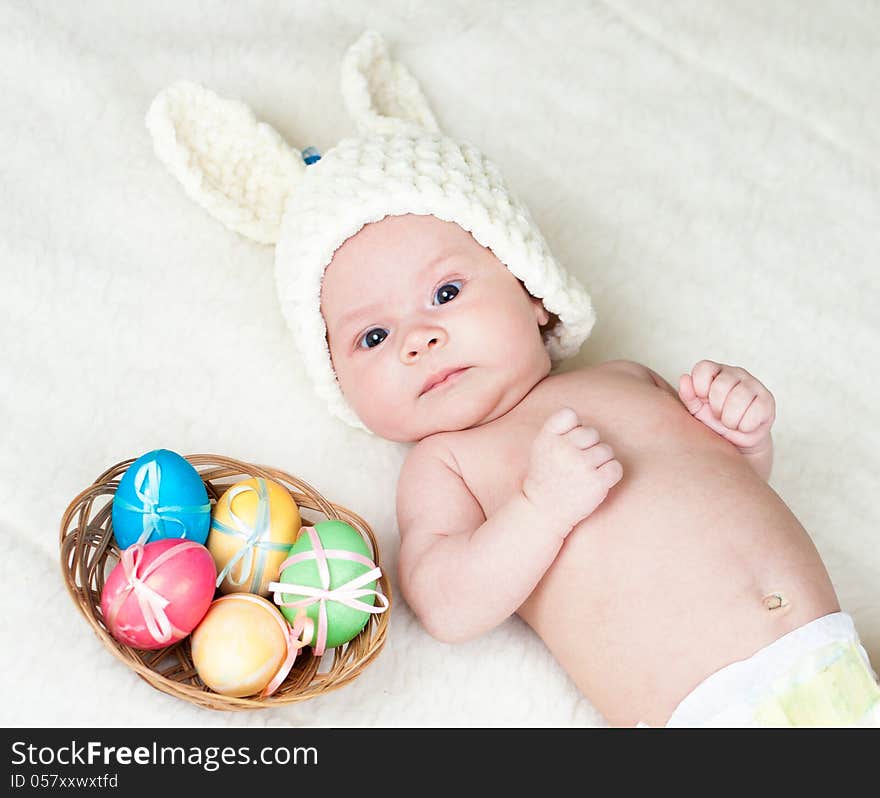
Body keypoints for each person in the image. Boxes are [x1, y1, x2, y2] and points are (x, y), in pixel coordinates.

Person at [147, 29, 880, 726]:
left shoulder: (627, 377)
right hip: (713, 713)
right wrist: (541, 506)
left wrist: (742, 435)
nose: (419, 338)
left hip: (845, 665)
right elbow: (447, 604)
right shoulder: (448, 464)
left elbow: (727, 488)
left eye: (445, 294)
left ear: (531, 291)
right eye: (373, 336)